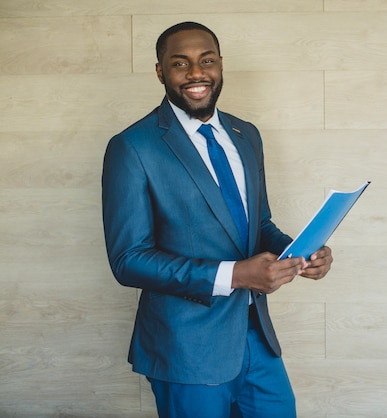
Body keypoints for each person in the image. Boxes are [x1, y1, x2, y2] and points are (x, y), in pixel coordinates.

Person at [101, 21, 333, 417]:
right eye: (180, 63)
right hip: (187, 349)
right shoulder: (132, 147)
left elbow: (258, 226)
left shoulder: (247, 135)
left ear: (220, 65)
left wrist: (303, 251)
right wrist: (236, 275)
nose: (196, 73)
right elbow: (129, 259)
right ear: (160, 71)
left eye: (206, 61)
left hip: (256, 338)